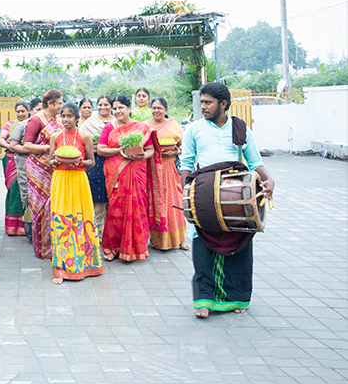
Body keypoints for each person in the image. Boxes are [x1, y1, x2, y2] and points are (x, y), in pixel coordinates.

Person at [181, 82, 274, 319]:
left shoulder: (241, 129)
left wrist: (269, 180)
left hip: (236, 197)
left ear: (223, 104)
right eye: (202, 102)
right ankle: (204, 301)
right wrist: (186, 195)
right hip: (203, 196)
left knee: (239, 247)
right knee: (202, 249)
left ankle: (237, 299)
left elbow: (255, 163)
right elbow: (186, 164)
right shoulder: (193, 130)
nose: (203, 106)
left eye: (208, 102)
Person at [48, 102, 102, 283]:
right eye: (62, 116)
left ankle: (86, 265)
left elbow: (92, 162)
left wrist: (79, 162)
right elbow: (50, 161)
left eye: (69, 116)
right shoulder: (55, 136)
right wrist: (55, 162)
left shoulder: (85, 136)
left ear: (77, 118)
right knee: (62, 219)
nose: (65, 119)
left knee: (81, 217)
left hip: (78, 180)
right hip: (60, 180)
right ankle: (62, 268)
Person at [97, 95, 154, 262]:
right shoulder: (109, 128)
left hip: (137, 172)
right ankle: (112, 247)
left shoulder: (141, 127)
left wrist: (141, 156)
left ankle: (137, 248)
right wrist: (119, 151)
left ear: (129, 108)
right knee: (116, 210)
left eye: (120, 107)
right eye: (114, 108)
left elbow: (150, 150)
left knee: (138, 207)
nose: (117, 111)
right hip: (116, 174)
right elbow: (101, 149)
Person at [23, 89, 64, 260]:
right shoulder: (36, 120)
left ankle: (58, 246)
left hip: (56, 167)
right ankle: (43, 250)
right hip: (38, 169)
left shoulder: (59, 119)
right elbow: (27, 145)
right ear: (51, 103)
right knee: (41, 207)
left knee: (56, 206)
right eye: (60, 102)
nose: (62, 105)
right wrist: (50, 147)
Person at [145, 97, 188, 251]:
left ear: (166, 110)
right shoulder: (145, 126)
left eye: (160, 108)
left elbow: (183, 148)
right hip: (151, 167)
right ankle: (157, 240)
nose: (156, 111)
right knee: (154, 201)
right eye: (154, 108)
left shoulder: (173, 126)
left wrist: (175, 151)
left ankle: (180, 239)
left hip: (169, 167)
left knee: (172, 201)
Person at [81, 95, 113, 241]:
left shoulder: (117, 122)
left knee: (111, 202)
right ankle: (96, 235)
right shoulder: (89, 123)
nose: (103, 107)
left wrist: (105, 148)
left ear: (111, 106)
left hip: (113, 164)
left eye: (106, 104)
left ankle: (109, 234)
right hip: (95, 165)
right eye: (100, 104)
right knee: (97, 201)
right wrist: (94, 148)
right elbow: (81, 142)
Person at [0, 100, 30, 236]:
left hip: (27, 160)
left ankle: (26, 225)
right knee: (13, 190)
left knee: (26, 191)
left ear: (28, 111)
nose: (20, 113)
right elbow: (0, 139)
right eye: (18, 111)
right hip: (11, 160)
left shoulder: (32, 124)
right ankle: (12, 227)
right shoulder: (10, 124)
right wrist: (12, 146)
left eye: (23, 111)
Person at [12, 97, 41, 240]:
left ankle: (44, 230)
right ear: (30, 110)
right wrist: (31, 149)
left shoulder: (50, 125)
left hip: (43, 165)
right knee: (27, 195)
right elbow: (13, 145)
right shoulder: (23, 125)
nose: (40, 112)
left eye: (43, 109)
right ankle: (31, 231)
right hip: (25, 163)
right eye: (37, 110)